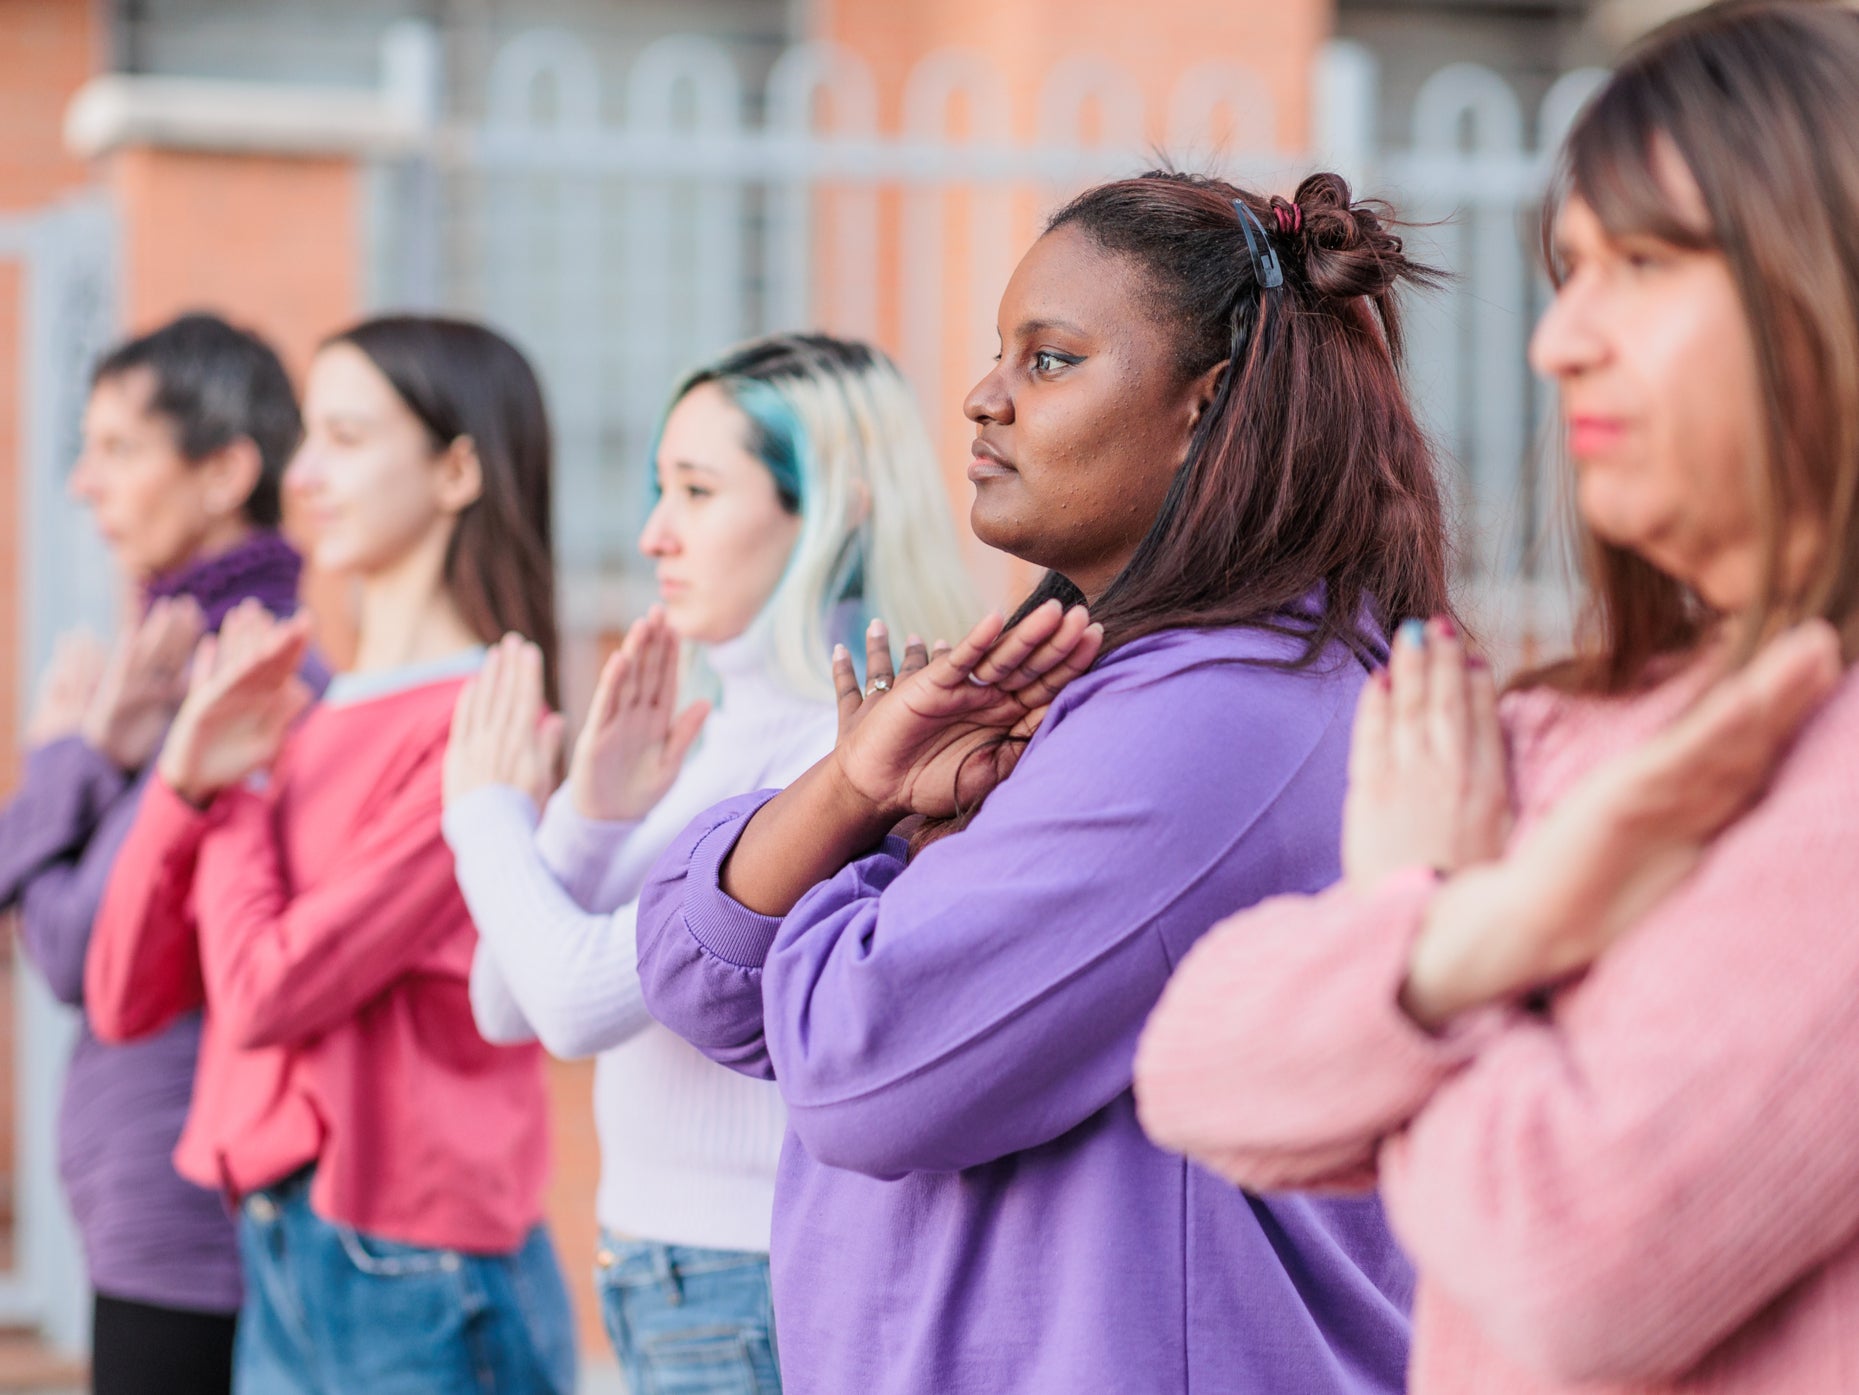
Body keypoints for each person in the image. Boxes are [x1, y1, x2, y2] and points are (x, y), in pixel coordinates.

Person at [1133, 5, 1859, 1393]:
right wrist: (1495, 919)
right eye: (1567, 272)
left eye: (1643, 265)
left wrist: (1416, 945)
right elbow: (1198, 1072)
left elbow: (1570, 1264)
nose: (1557, 341)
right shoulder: (1556, 727)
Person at [634, 168, 1451, 1392]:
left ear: (1205, 407)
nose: (982, 397)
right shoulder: (1097, 686)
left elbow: (862, 1070)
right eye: (997, 354)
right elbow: (696, 981)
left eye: (1050, 360)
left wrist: (895, 857)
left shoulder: (1214, 719)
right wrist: (855, 790)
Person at [440, 332, 976, 1393]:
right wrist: (589, 814)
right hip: (664, 1280)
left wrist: (483, 813)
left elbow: (571, 1006)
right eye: (659, 488)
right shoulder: (716, 732)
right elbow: (503, 1002)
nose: (654, 532)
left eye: (696, 490)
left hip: (741, 1284)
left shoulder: (833, 752)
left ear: (834, 508)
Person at [85, 315, 576, 1395]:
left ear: (456, 471)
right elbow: (120, 995)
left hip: (415, 1266)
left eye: (346, 439)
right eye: (308, 437)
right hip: (282, 1251)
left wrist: (237, 792)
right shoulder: (300, 715)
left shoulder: (485, 723)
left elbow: (268, 992)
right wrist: (184, 780)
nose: (303, 475)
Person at [0, 313, 309, 1395]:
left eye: (120, 449)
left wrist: (61, 755)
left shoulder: (245, 685)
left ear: (225, 471)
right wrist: (91, 757)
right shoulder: (163, 676)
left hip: (187, 1213)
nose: (84, 482)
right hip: (151, 1203)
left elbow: (72, 950)